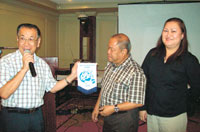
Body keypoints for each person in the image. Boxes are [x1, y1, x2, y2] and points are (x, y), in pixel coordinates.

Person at [0, 23, 79, 132]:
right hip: (13, 117)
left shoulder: (42, 64)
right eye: (22, 38)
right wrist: (23, 69)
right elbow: (4, 93)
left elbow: (53, 87)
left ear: (38, 42)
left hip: (36, 116)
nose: (26, 43)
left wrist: (72, 76)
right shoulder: (6, 62)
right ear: (17, 40)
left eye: (31, 39)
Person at [139, 17, 200, 132]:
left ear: (182, 35)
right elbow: (142, 81)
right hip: (151, 114)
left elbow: (197, 88)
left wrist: (183, 101)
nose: (168, 34)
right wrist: (142, 107)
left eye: (173, 31)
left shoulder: (189, 60)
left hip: (174, 116)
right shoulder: (153, 54)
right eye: (165, 30)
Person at [92, 33, 146, 132]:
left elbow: (137, 102)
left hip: (124, 118)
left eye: (112, 49)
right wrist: (97, 107)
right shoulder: (110, 65)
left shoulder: (135, 71)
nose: (108, 52)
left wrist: (114, 108)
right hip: (108, 114)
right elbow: (104, 88)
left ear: (123, 52)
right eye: (108, 48)